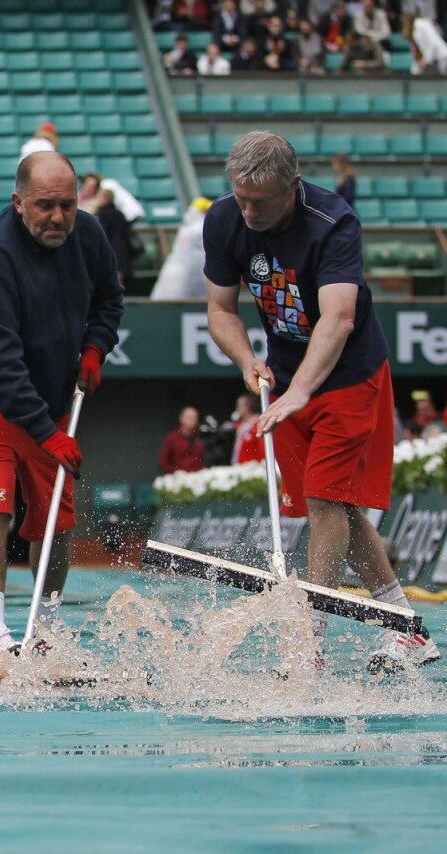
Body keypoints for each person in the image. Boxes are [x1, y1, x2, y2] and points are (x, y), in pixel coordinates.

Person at [203, 130, 439, 671]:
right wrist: (246, 360)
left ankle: (307, 646)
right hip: (285, 379)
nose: (247, 211)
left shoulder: (335, 223)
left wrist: (303, 390)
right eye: (240, 198)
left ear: (294, 186)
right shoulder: (223, 218)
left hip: (349, 378)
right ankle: (407, 628)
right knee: (333, 505)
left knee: (327, 501)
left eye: (259, 202)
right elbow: (220, 310)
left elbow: (339, 318)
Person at [0, 151, 124, 655]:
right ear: (18, 202)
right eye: (45, 206)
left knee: (57, 520)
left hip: (47, 399)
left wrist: (94, 347)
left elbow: (109, 301)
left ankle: (45, 632)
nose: (58, 217)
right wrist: (46, 434)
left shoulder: (88, 235)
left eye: (67, 205)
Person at [94, 187, 134, 286]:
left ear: (105, 198)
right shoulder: (119, 214)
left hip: (109, 250)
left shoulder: (101, 214)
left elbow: (101, 235)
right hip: (122, 249)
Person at [158, 405, 206, 473]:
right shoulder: (172, 438)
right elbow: (163, 462)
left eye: (195, 417)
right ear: (181, 418)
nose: (192, 420)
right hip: (178, 477)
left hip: (199, 476)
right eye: (189, 417)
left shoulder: (202, 436)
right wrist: (176, 473)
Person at [229, 393, 265, 463]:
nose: (237, 409)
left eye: (239, 406)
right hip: (241, 465)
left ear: (248, 406)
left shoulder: (259, 423)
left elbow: (263, 448)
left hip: (253, 467)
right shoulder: (241, 425)